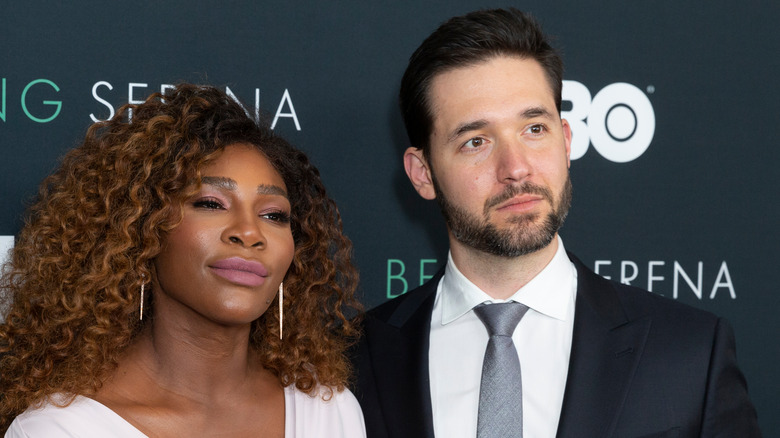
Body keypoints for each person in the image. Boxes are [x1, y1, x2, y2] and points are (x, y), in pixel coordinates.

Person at [351, 8, 760, 438]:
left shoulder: (691, 354)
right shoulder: (352, 359)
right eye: (476, 141)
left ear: (565, 142)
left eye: (534, 129)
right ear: (422, 173)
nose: (516, 168)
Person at [0, 84, 366, 437]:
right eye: (210, 204)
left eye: (274, 215)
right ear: (142, 231)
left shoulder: (329, 410)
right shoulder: (57, 430)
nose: (249, 232)